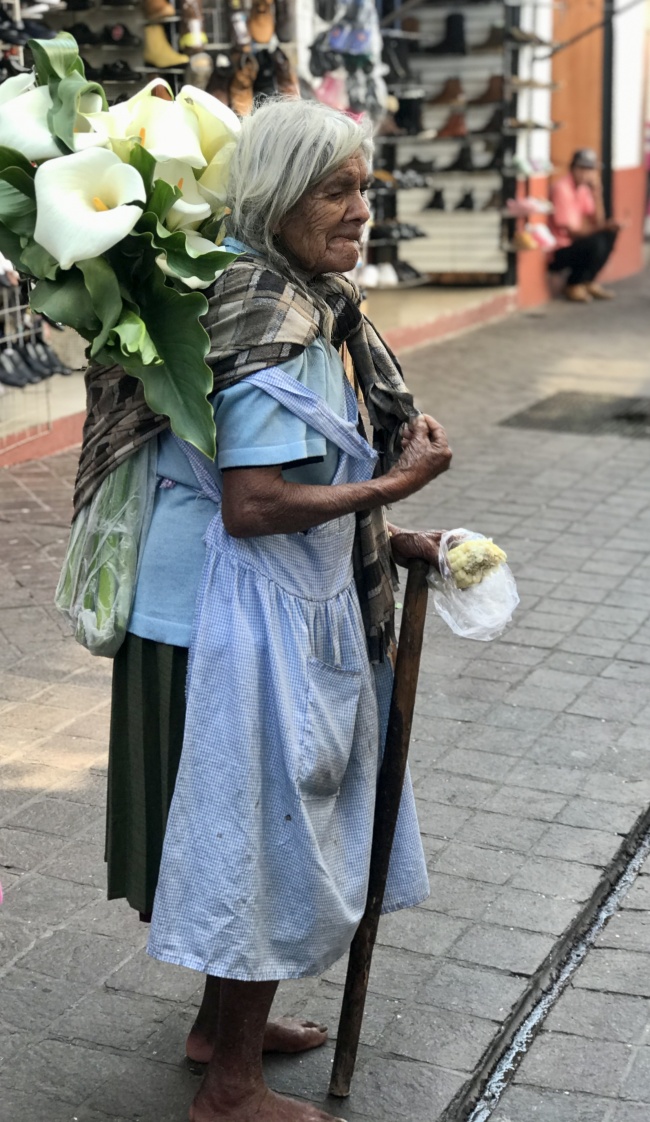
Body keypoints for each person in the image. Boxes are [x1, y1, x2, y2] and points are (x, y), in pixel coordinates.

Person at [74, 98, 452, 1122]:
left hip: (239, 608)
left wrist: (387, 534)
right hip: (229, 622)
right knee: (261, 843)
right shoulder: (269, 319)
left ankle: (219, 1030)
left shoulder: (294, 299)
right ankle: (230, 1088)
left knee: (258, 831)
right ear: (277, 198)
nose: (359, 209)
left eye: (362, 187)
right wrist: (393, 488)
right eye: (335, 190)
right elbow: (254, 505)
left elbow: (289, 477)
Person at [548, 147, 619, 303]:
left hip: (574, 242)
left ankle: (587, 281)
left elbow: (598, 221)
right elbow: (572, 232)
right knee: (595, 242)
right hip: (558, 250)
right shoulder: (562, 188)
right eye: (582, 168)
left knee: (609, 235)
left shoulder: (583, 189)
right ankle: (573, 284)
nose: (586, 174)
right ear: (573, 168)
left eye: (590, 169)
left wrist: (597, 193)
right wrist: (602, 227)